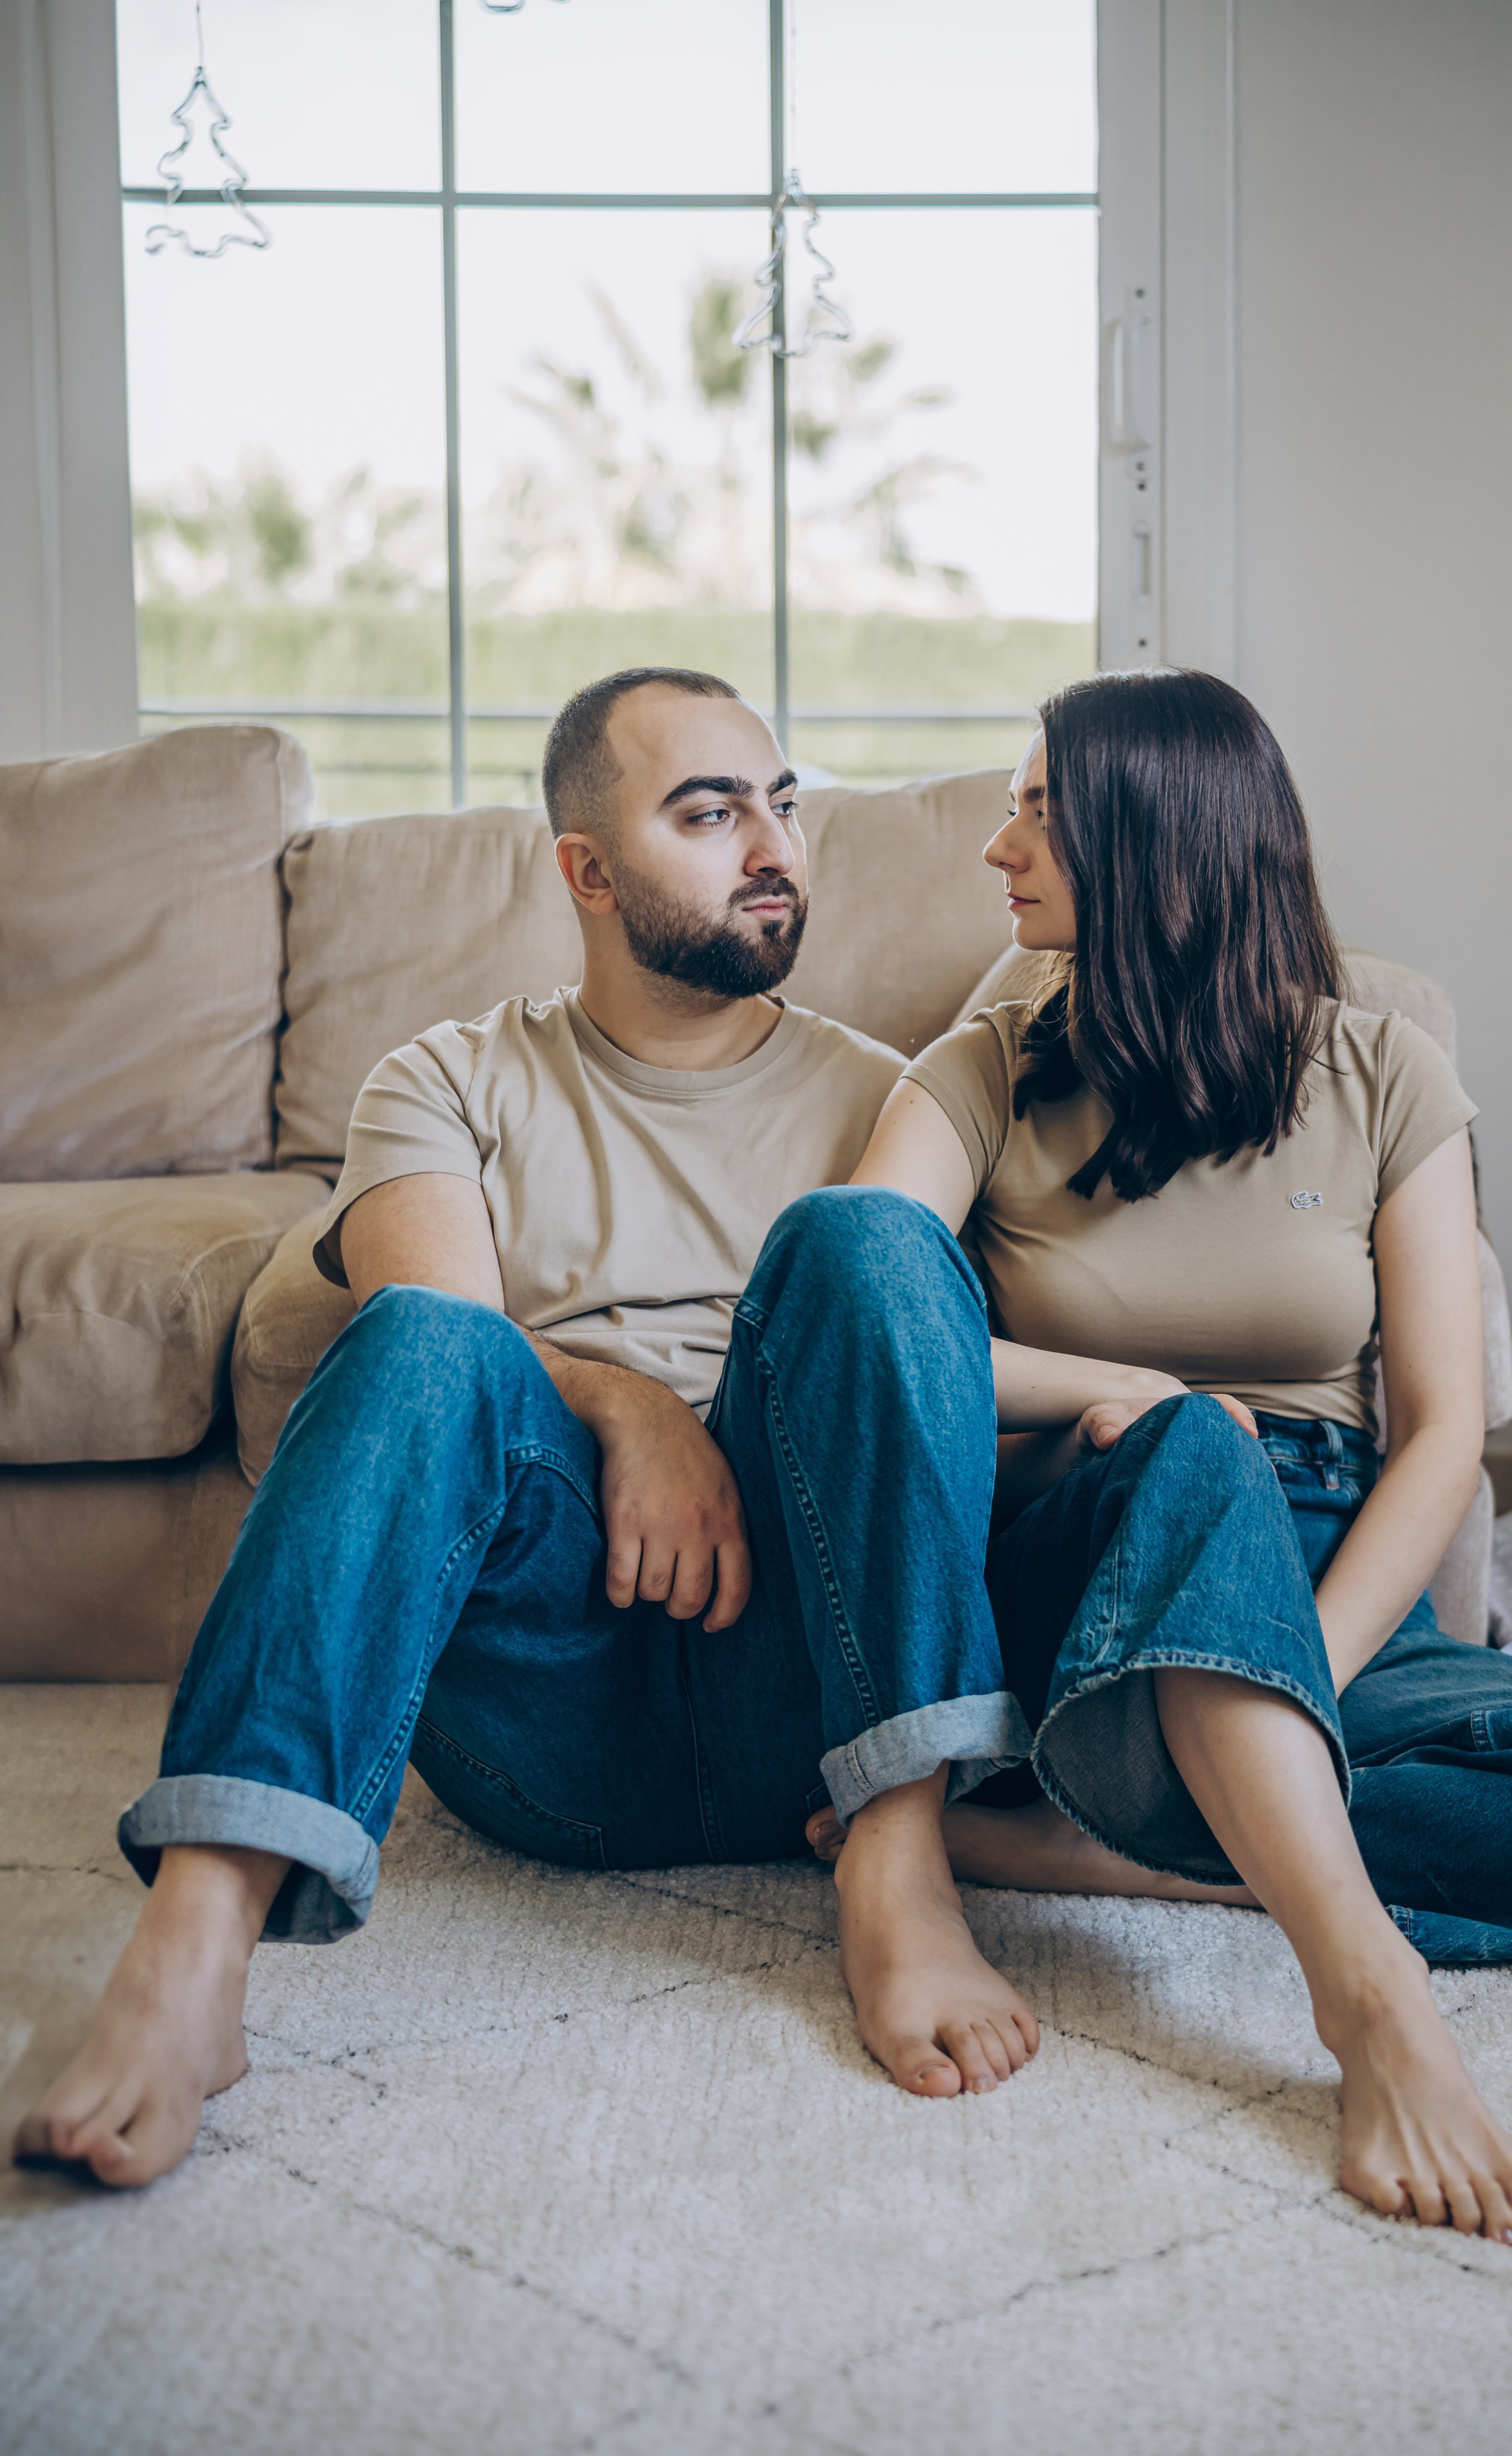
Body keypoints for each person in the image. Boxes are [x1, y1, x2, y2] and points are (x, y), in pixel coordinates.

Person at [17, 664, 1046, 2185]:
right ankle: (198, 1942)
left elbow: (942, 1383)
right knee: (428, 1341)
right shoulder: (444, 1079)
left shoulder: (889, 1099)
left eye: (782, 803)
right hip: (552, 1716)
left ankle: (897, 1859)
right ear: (586, 870)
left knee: (868, 1245)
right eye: (708, 812)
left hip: (812, 1690)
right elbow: (429, 1321)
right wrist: (630, 1408)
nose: (771, 845)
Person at [806, 667, 1512, 2242]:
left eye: (1038, 806)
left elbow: (1442, 1428)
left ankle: (1100, 1842)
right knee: (1195, 1443)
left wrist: (1292, 1677)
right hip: (1087, 1562)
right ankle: (1367, 1997)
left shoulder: (1387, 1077)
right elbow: (866, 1331)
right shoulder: (983, 1067)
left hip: (1329, 1569)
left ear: (1158, 837)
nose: (996, 844)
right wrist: (1128, 1381)